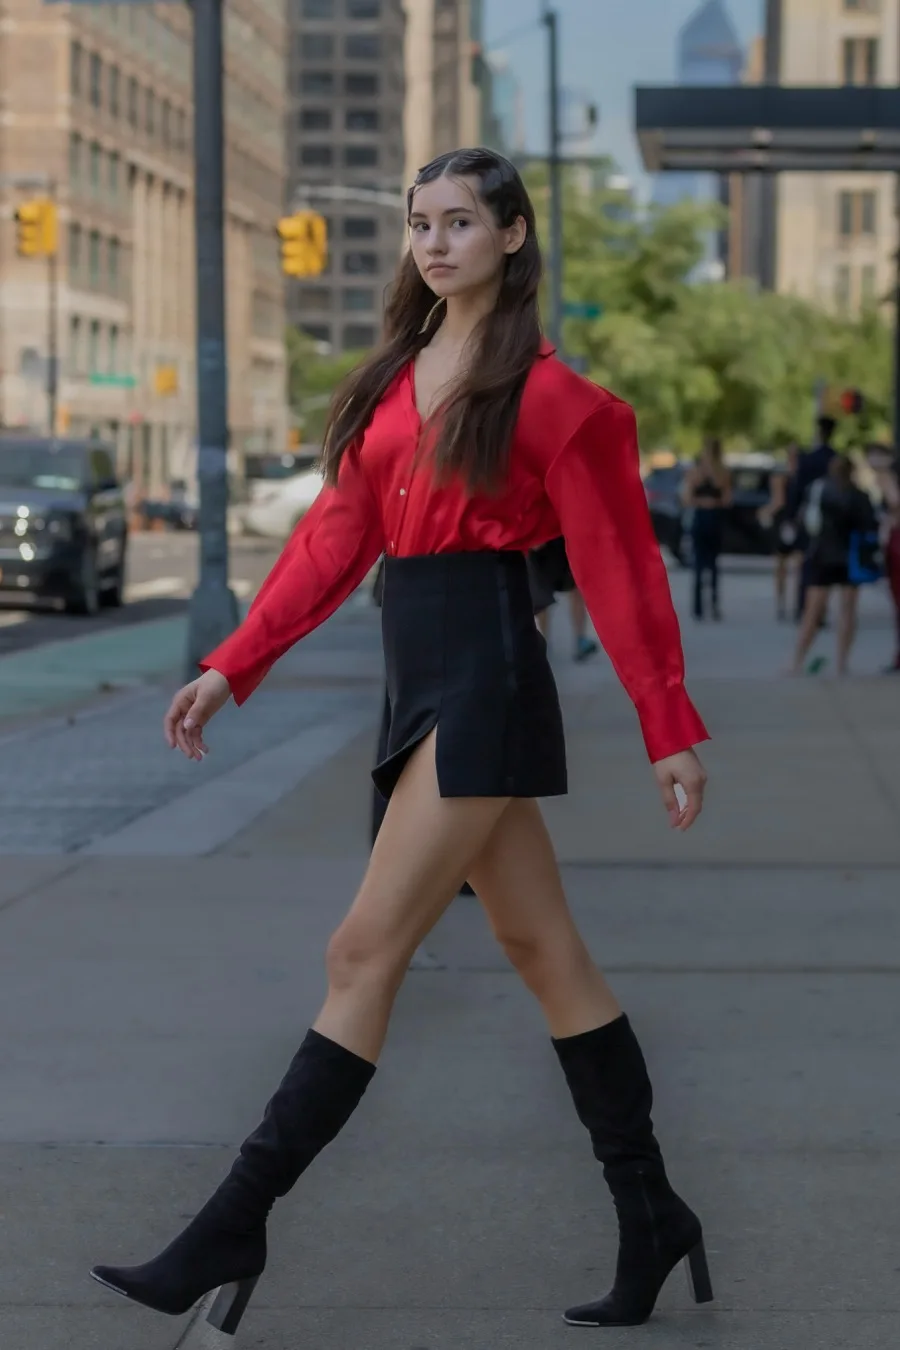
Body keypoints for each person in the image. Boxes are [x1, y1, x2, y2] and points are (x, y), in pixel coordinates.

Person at [90, 148, 712, 1333]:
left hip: (484, 671)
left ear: (514, 237)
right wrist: (234, 664)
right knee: (545, 953)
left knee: (359, 952)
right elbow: (336, 539)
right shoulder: (393, 382)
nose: (435, 243)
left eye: (462, 222)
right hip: (412, 665)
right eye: (422, 223)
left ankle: (235, 1217)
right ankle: (653, 1215)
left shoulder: (557, 401)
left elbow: (626, 566)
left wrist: (665, 725)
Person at [789, 454, 878, 677]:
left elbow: (805, 522)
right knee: (848, 611)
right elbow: (869, 525)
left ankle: (797, 661)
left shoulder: (818, 490)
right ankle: (842, 662)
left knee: (813, 612)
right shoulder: (859, 496)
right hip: (850, 558)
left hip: (822, 556)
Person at [788, 414, 838, 622]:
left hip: (810, 515)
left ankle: (804, 607)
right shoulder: (835, 459)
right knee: (824, 565)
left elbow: (797, 489)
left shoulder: (808, 459)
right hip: (832, 518)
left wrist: (792, 516)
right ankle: (820, 611)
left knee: (806, 563)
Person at [680, 438, 732, 621]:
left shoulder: (714, 473)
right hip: (706, 519)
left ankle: (706, 606)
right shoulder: (703, 473)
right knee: (706, 564)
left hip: (708, 519)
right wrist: (708, 502)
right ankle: (705, 606)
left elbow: (726, 499)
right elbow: (687, 498)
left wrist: (707, 501)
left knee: (707, 564)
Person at [527, 536, 599, 661]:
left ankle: (580, 639)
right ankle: (544, 644)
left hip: (564, 537)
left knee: (577, 587)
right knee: (542, 596)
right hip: (542, 541)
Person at [765, 444, 803, 621]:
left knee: (781, 565)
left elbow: (778, 501)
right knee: (797, 566)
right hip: (798, 523)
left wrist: (765, 512)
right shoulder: (802, 477)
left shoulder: (781, 477)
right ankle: (796, 603)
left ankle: (782, 603)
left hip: (783, 523)